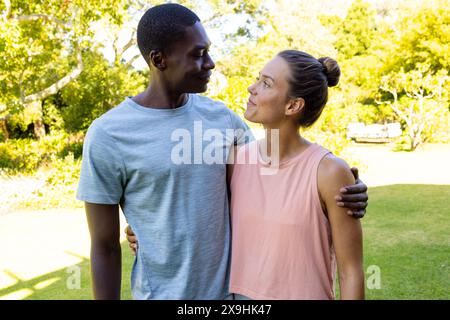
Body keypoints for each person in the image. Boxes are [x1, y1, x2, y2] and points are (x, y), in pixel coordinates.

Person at [78, 3, 368, 300]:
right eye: (198, 54)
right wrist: (149, 230)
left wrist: (343, 184)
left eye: (208, 50)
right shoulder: (109, 134)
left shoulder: (223, 120)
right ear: (159, 59)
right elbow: (104, 246)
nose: (211, 63)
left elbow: (274, 175)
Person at [228, 51, 364, 300]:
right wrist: (141, 232)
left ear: (293, 105)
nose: (251, 88)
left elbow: (351, 271)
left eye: (266, 83)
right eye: (258, 79)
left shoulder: (329, 172)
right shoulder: (235, 161)